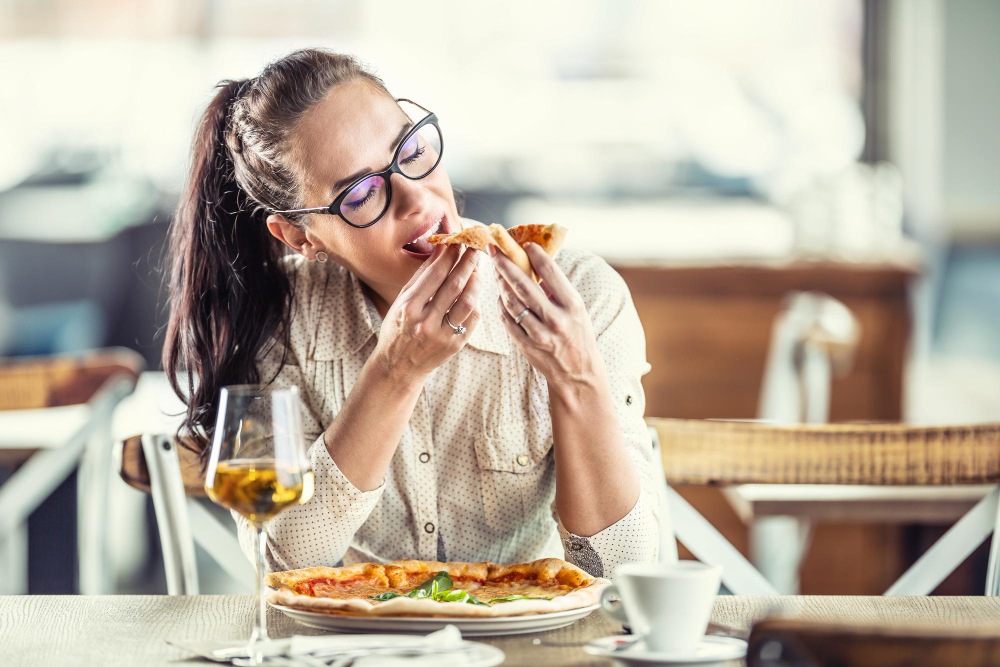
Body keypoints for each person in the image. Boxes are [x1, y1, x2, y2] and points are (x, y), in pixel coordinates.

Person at [163, 48, 661, 577]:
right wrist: (396, 370)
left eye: (411, 149)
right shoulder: (283, 317)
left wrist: (576, 377)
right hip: (354, 647)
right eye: (360, 193)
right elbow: (281, 562)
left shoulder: (583, 295)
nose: (418, 201)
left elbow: (624, 572)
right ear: (300, 236)